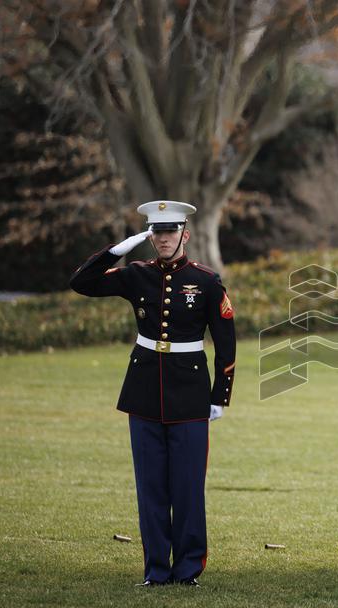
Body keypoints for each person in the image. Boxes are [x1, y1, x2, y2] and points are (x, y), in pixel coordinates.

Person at [69, 201, 236, 586]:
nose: (163, 239)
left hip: (190, 395)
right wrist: (117, 250)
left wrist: (219, 396)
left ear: (184, 235)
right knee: (151, 490)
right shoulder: (137, 275)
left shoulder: (206, 281)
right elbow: (82, 282)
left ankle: (188, 570)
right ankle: (156, 571)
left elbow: (226, 342)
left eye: (170, 232)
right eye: (156, 232)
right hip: (144, 391)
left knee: (188, 489)